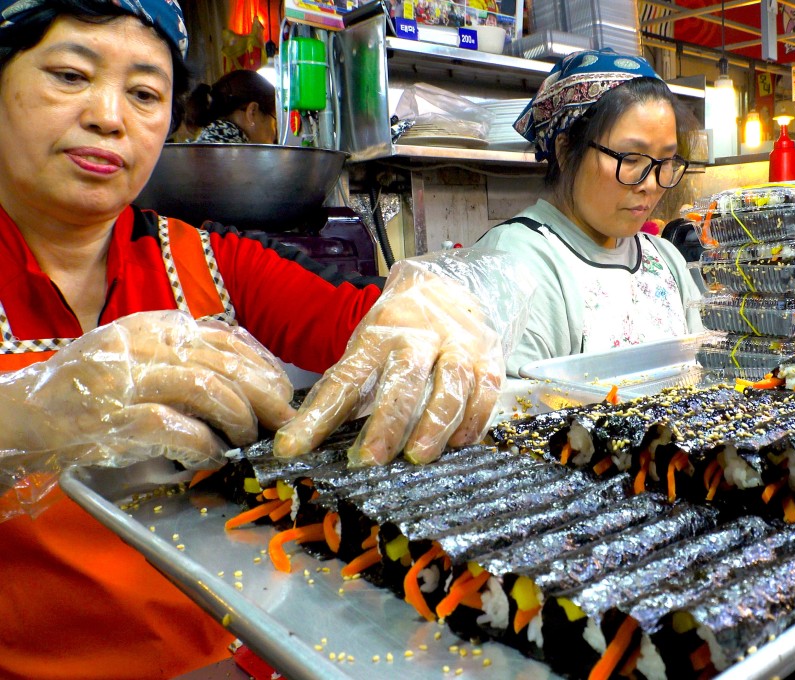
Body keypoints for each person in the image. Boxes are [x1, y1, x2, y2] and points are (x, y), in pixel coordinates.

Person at [0, 1, 514, 678]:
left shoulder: (213, 261)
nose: (109, 116)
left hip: (258, 653)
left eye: (146, 92)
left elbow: (364, 325)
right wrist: (22, 414)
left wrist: (432, 311)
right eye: (70, 75)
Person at [475, 49, 704, 376]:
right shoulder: (517, 261)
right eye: (630, 159)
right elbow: (523, 409)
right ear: (566, 151)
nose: (650, 184)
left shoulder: (667, 260)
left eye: (664, 163)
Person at [191, 67, 277, 143]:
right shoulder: (242, 157)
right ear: (252, 112)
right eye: (274, 123)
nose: (275, 134)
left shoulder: (198, 148)